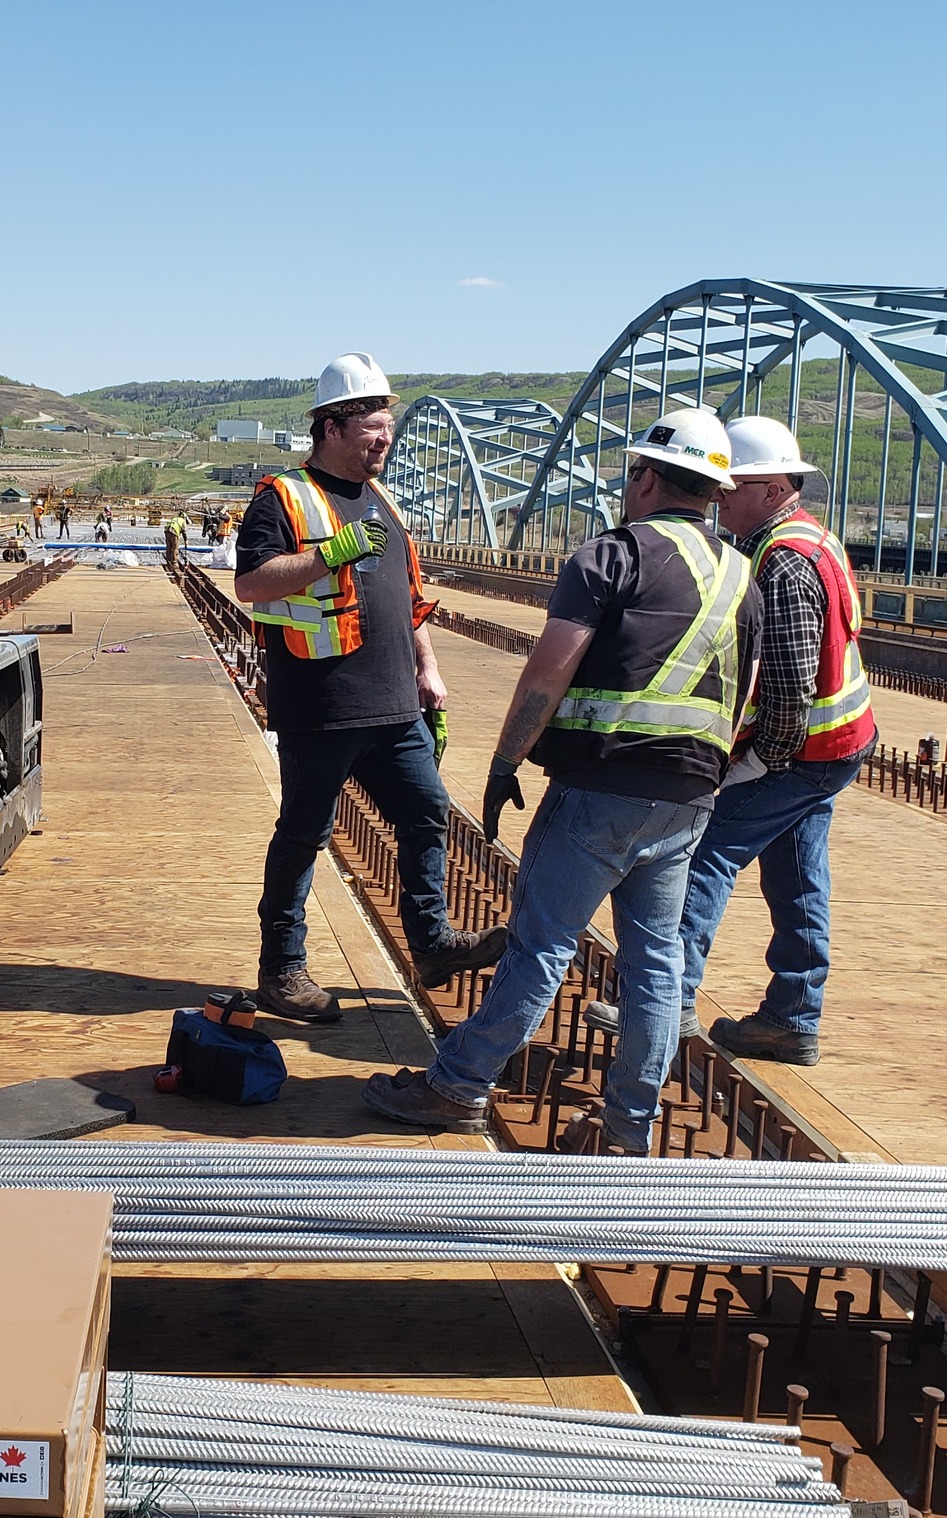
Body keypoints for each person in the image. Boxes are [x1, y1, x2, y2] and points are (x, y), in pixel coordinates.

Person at [364, 406, 761, 1143]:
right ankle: (625, 1127)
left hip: (598, 790)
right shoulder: (744, 576)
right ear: (713, 489)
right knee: (654, 964)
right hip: (688, 798)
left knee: (542, 943)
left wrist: (506, 758)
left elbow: (549, 671)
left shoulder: (611, 556)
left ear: (644, 476)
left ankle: (458, 1085)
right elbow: (747, 692)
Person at [583, 418, 876, 1065]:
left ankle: (667, 1003)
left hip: (803, 751)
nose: (717, 497)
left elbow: (791, 690)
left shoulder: (784, 562)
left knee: (704, 853)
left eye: (730, 486)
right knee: (799, 875)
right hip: (838, 746)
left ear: (772, 488)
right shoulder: (811, 538)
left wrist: (752, 765)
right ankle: (792, 1016)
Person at [234, 352, 507, 1023]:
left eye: (388, 428)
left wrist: (429, 670)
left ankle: (433, 943)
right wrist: (330, 553)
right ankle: (282, 969)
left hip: (396, 707)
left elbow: (408, 600)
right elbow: (250, 585)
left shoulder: (381, 499)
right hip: (322, 707)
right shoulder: (284, 498)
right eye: (372, 429)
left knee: (426, 813)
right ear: (331, 426)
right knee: (305, 834)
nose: (384, 440)